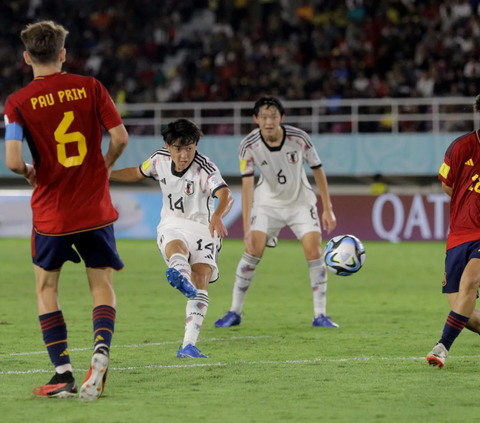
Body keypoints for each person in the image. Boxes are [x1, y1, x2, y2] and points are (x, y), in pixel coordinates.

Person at [4, 21, 128, 400]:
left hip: (52, 214)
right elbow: (120, 137)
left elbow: (11, 161)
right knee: (102, 286)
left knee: (46, 287)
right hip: (94, 207)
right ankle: (101, 351)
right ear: (62, 53)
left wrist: (29, 172)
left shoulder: (18, 103)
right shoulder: (91, 88)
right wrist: (104, 165)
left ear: (27, 57)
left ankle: (62, 375)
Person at [110, 119, 233, 358]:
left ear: (196, 145)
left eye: (190, 148)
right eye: (179, 148)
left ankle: (188, 345)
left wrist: (218, 215)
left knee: (202, 277)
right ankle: (179, 271)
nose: (185, 154)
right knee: (176, 247)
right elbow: (137, 173)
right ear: (168, 146)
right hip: (172, 223)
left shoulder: (205, 168)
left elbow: (225, 194)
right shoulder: (158, 159)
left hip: (203, 228)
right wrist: (107, 175)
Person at [215, 96, 338, 328]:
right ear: (256, 119)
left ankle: (320, 315)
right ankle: (234, 311)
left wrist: (328, 208)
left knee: (314, 251)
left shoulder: (299, 139)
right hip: (266, 204)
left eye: (273, 116)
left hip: (300, 203)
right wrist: (247, 228)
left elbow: (318, 171)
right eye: (263, 116)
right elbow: (247, 185)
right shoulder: (248, 146)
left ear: (282, 118)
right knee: (252, 251)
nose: (268, 121)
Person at [427, 97, 480, 368]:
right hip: (459, 235)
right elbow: (448, 186)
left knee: (471, 282)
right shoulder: (461, 147)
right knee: (462, 309)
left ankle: (442, 347)